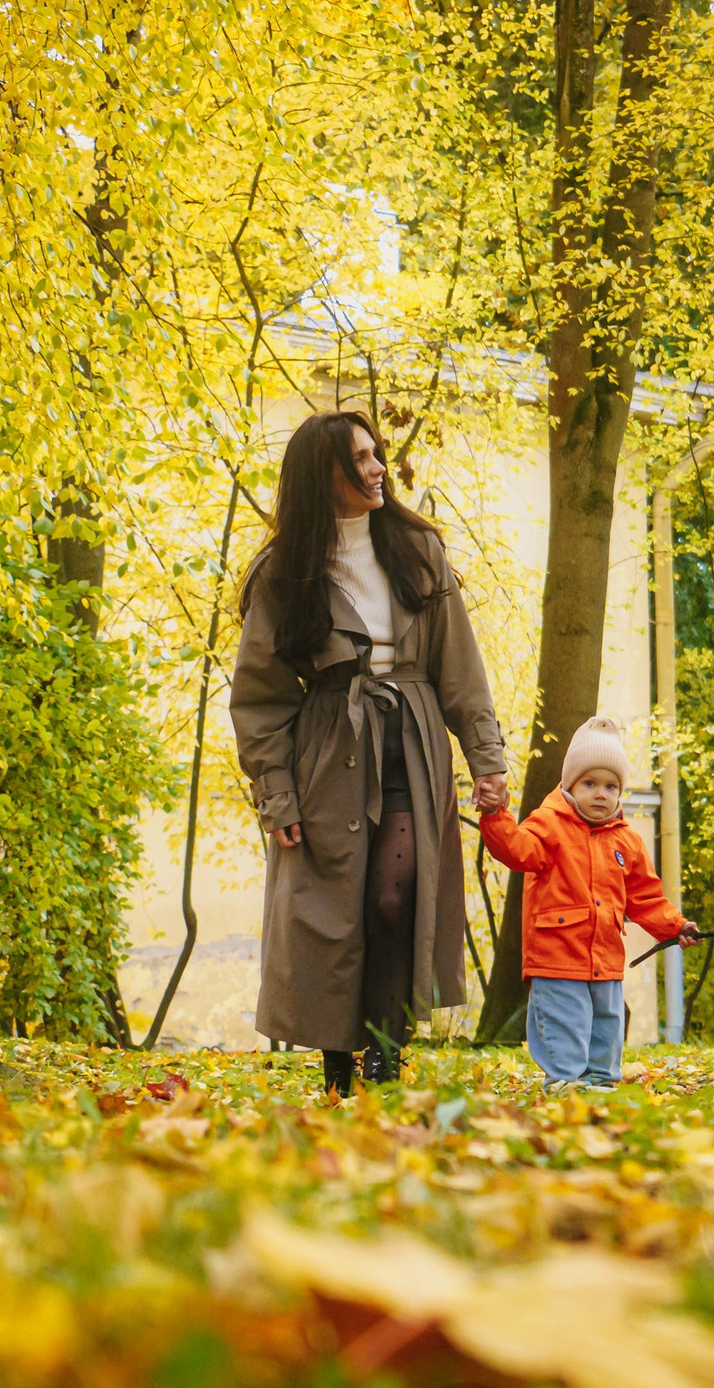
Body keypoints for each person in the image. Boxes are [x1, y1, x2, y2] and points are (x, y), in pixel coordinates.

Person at [231, 410, 509, 1096]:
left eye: (375, 452)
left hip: (410, 744)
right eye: (360, 458)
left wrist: (486, 758)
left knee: (393, 896)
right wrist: (277, 792)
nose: (378, 466)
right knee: (333, 906)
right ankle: (337, 1065)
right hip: (326, 750)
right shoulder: (283, 574)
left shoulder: (418, 550)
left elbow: (460, 665)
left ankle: (385, 1048)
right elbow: (260, 697)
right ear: (322, 475)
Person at [480, 715, 701, 1090]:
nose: (602, 793)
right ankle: (565, 1086)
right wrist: (494, 815)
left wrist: (675, 925)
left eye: (611, 786)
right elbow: (516, 850)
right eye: (590, 783)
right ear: (569, 785)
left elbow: (645, 897)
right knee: (566, 1027)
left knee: (606, 1028)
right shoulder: (548, 825)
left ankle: (602, 1084)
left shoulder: (627, 840)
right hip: (556, 961)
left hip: (605, 962)